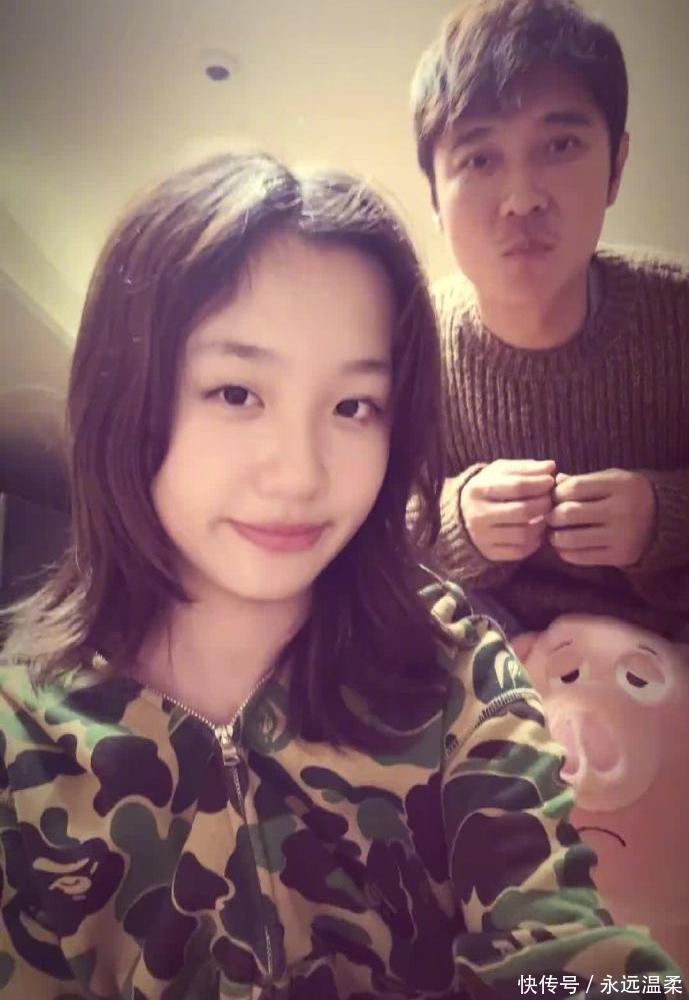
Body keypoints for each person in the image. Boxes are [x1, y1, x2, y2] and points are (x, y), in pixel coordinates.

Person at [0, 152, 683, 1000]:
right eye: (236, 393)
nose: (300, 474)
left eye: (353, 406)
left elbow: (566, 955)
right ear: (126, 393)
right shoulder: (25, 739)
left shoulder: (455, 671)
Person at [410, 0, 689, 639]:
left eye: (560, 145)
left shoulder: (678, 314)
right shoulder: (407, 338)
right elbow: (367, 521)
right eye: (479, 159)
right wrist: (456, 520)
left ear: (616, 167)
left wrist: (662, 517)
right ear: (434, 196)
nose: (522, 200)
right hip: (484, 660)